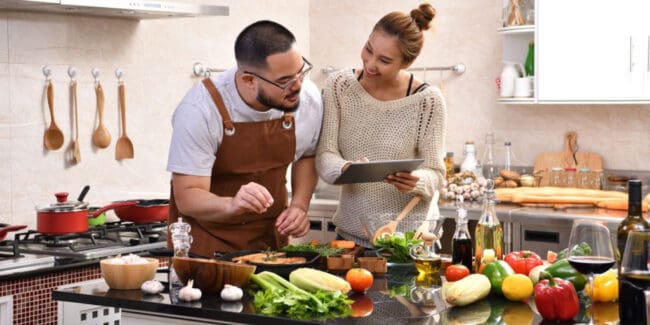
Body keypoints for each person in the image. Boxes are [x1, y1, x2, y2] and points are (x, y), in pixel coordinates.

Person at [167, 20, 323, 257]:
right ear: (249, 80)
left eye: (300, 71)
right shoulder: (199, 110)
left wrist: (299, 206)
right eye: (284, 81)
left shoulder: (306, 97)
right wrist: (233, 204)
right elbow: (188, 196)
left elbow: (307, 155)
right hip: (206, 244)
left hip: (271, 241)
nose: (297, 86)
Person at [316, 4, 447, 248]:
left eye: (384, 60)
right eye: (368, 49)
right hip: (349, 239)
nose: (370, 64)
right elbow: (325, 153)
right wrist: (344, 167)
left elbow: (437, 175)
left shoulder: (428, 101)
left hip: (408, 242)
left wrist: (416, 180)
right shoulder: (338, 86)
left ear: (407, 63)